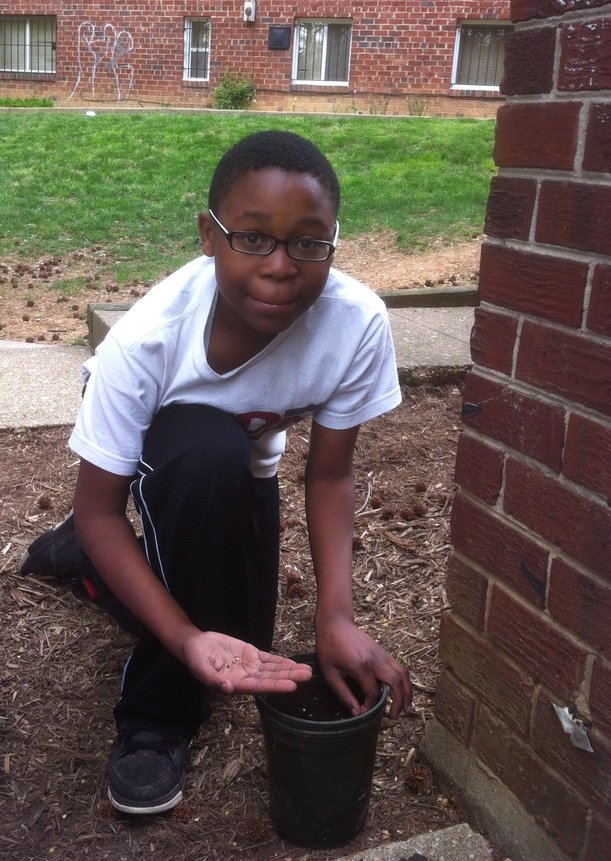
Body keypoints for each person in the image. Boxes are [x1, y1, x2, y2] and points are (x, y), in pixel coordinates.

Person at [20, 129, 412, 816]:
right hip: (172, 449)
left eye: (308, 242)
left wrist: (335, 615)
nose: (281, 267)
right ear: (210, 235)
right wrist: (183, 641)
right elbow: (100, 509)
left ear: (333, 243)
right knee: (205, 460)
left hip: (245, 456)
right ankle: (155, 718)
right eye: (252, 238)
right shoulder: (147, 341)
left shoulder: (355, 323)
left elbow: (328, 476)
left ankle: (85, 563)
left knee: (243, 636)